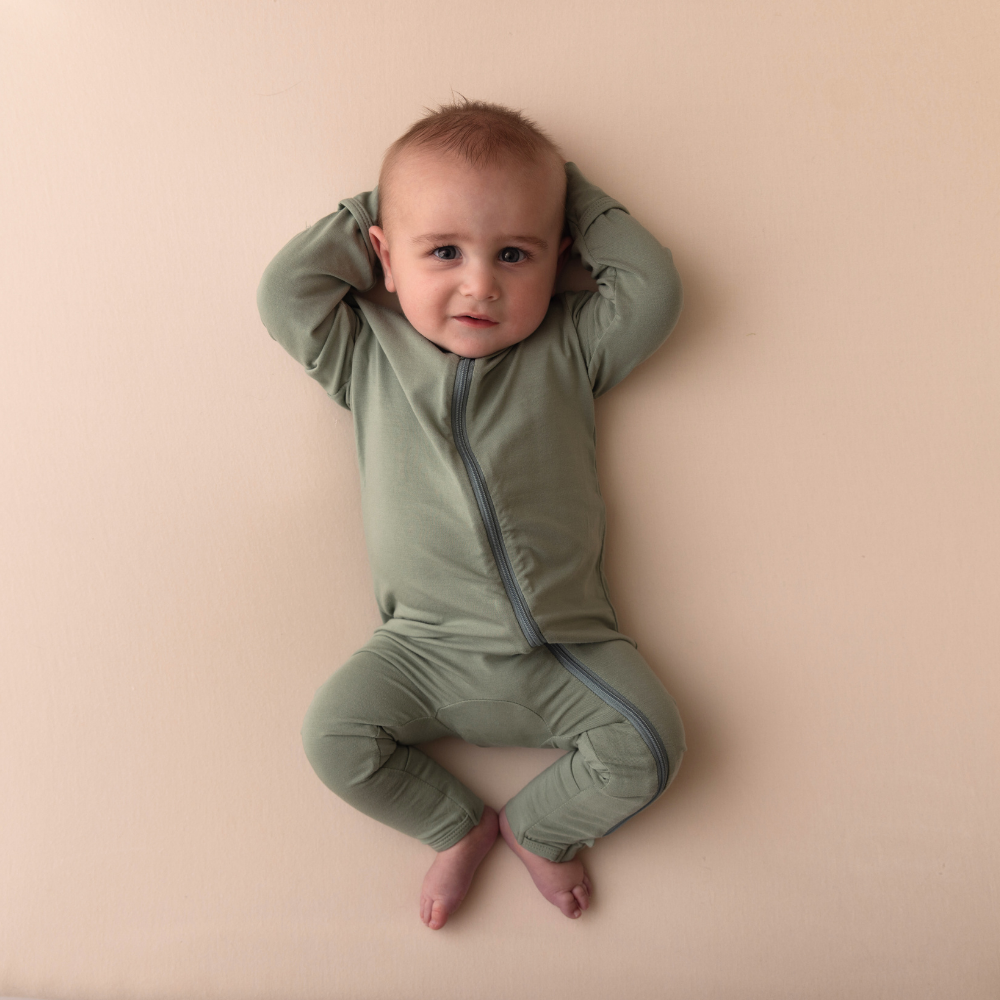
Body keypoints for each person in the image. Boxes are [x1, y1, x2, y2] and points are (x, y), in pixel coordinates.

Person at [256, 98, 686, 931]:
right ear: (383, 254)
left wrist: (570, 192)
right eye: (444, 251)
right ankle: (455, 826)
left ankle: (538, 827)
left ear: (559, 254)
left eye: (514, 253)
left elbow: (652, 288)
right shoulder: (366, 355)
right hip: (420, 650)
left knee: (654, 744)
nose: (480, 283)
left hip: (565, 647)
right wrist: (380, 210)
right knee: (331, 740)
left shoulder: (569, 347)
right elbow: (287, 290)